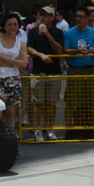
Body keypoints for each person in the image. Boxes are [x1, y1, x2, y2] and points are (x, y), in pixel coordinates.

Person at [25, 7, 64, 141]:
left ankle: (50, 129)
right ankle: (37, 130)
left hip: (54, 72)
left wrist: (47, 34)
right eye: (41, 14)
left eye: (46, 15)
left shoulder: (58, 32)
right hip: (38, 72)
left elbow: (59, 50)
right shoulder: (33, 32)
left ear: (52, 17)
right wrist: (40, 55)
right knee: (38, 103)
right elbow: (29, 48)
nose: (42, 17)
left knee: (51, 103)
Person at [63, 7, 94, 135]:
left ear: (87, 18)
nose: (78, 19)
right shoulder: (69, 33)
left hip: (91, 68)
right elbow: (66, 50)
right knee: (71, 100)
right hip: (75, 69)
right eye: (77, 16)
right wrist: (77, 51)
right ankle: (68, 129)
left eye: (81, 17)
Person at [0, 12, 27, 130]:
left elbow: (24, 63)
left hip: (14, 78)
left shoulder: (21, 42)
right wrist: (13, 62)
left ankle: (10, 136)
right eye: (9, 24)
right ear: (4, 26)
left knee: (11, 111)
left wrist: (5, 58)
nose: (12, 27)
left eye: (15, 24)